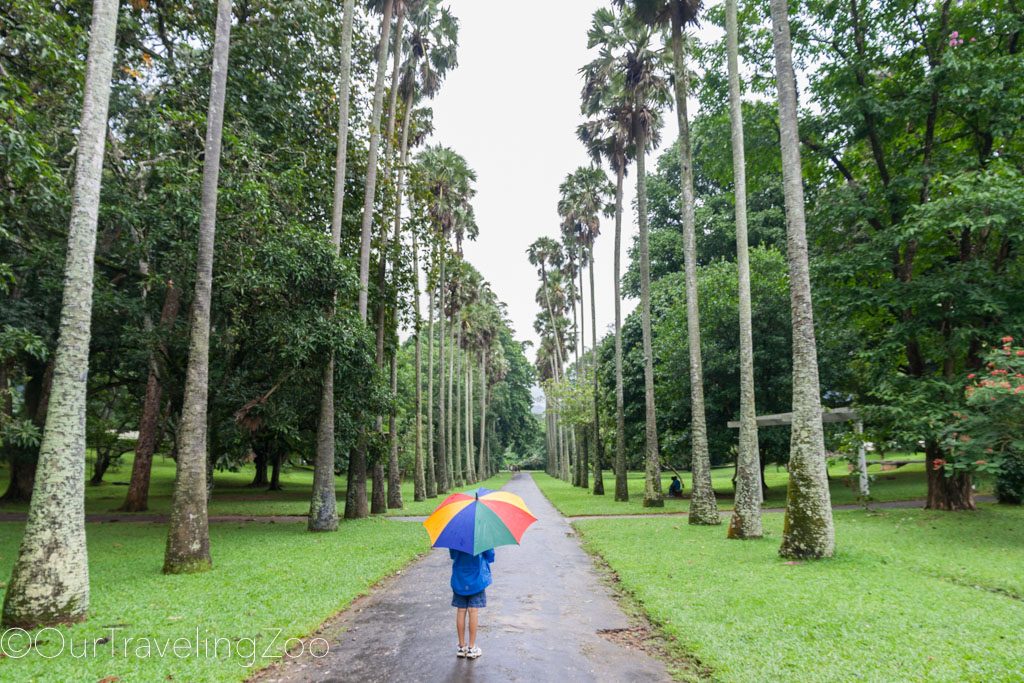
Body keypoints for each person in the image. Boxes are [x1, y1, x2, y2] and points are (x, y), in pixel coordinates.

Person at [450, 547, 495, 659]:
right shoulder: (482, 535)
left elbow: (453, 555)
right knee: (473, 610)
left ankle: (461, 646)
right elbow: (490, 555)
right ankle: (471, 647)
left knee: (461, 610)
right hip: (477, 578)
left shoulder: (456, 534)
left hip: (460, 579)